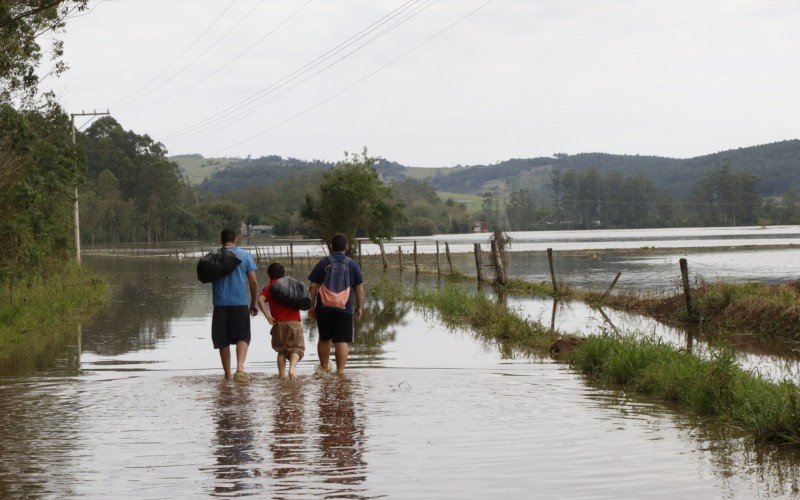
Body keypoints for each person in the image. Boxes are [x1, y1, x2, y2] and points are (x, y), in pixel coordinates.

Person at [308, 233, 364, 375]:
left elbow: (313, 286)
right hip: (344, 308)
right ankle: (340, 372)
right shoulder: (352, 264)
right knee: (341, 340)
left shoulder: (323, 262)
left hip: (324, 308)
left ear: (331, 246)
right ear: (346, 247)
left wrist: (312, 306)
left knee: (324, 338)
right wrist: (359, 307)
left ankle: (324, 369)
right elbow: (359, 289)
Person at [211, 228, 258, 381]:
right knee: (243, 336)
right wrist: (253, 303)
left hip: (220, 304)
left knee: (222, 340)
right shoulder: (245, 255)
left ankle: (227, 375)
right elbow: (253, 281)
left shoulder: (215, 256)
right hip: (239, 303)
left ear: (221, 240)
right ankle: (240, 367)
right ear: (235, 240)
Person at [257, 262, 304, 380]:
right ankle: (292, 370)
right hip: (295, 322)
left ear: (269, 275)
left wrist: (268, 316)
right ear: (283, 274)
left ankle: (282, 375)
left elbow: (260, 300)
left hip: (279, 324)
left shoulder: (269, 286)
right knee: (296, 349)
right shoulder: (291, 284)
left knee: (281, 351)